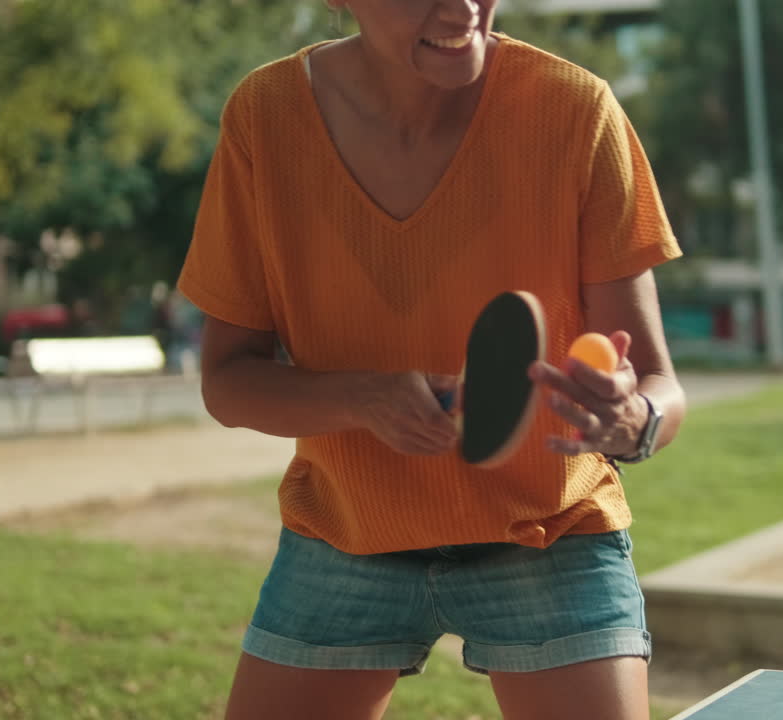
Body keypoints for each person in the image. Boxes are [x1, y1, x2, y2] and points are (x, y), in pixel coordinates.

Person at [175, 0, 686, 716]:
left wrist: (634, 422)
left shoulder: (575, 110)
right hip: (346, 534)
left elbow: (661, 386)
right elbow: (228, 382)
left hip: (551, 534)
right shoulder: (265, 117)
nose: (463, 6)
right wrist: (363, 398)